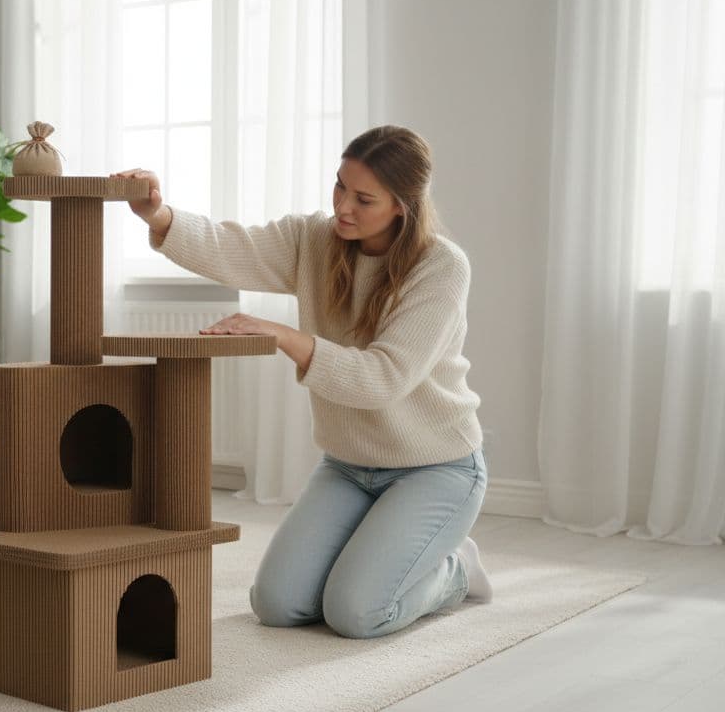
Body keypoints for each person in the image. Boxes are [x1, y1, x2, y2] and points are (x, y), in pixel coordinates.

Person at [115, 125, 491, 640]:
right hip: (349, 466)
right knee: (277, 603)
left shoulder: (441, 266)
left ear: (403, 206)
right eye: (340, 186)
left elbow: (383, 379)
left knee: (357, 613)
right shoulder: (315, 239)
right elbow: (230, 248)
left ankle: (454, 570)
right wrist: (158, 215)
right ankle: (382, 552)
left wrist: (284, 336)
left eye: (364, 199)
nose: (343, 207)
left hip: (434, 468)